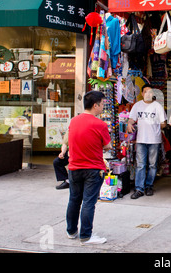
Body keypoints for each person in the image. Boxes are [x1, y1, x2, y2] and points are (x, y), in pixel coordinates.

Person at [66, 91, 111, 245]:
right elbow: (107, 146)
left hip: (74, 167)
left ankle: (71, 231)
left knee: (74, 200)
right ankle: (86, 235)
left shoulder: (74, 121)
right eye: (102, 104)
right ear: (95, 105)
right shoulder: (100, 124)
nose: (103, 107)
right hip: (93, 168)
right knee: (89, 202)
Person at [128, 84, 167, 199]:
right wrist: (130, 123)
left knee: (152, 165)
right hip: (141, 140)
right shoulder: (137, 106)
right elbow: (131, 119)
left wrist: (154, 123)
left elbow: (163, 124)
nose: (148, 94)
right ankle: (139, 189)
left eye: (150, 92)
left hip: (154, 140)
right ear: (142, 93)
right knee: (140, 165)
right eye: (146, 92)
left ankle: (149, 185)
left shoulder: (157, 106)